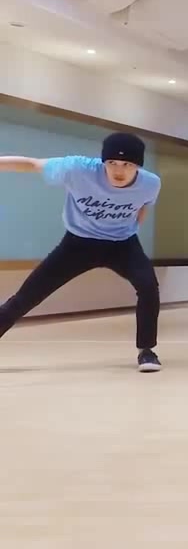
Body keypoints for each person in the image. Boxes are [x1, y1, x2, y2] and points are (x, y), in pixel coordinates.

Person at [0, 133, 164, 372]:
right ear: (103, 161)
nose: (118, 170)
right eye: (112, 163)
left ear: (138, 165)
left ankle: (147, 351)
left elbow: (143, 207)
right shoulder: (78, 169)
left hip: (123, 244)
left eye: (127, 164)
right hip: (78, 243)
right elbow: (32, 164)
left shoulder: (150, 183)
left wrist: (131, 229)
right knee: (28, 295)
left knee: (148, 286)